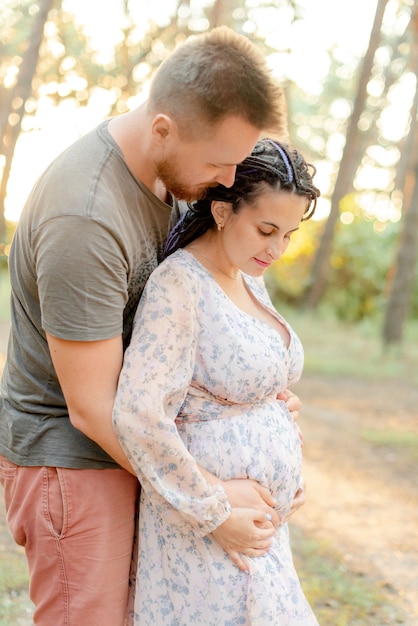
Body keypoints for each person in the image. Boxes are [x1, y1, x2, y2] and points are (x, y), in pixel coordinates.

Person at [0, 26, 304, 626]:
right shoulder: (85, 217)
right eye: (220, 162)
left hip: (134, 461)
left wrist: (251, 407)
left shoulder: (175, 174)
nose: (225, 180)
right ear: (163, 127)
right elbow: (93, 405)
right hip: (75, 462)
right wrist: (210, 498)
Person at [112, 138, 321, 625]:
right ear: (224, 211)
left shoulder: (250, 276)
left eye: (288, 234)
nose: (277, 249)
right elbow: (140, 416)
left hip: (260, 530)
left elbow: (249, 379)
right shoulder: (180, 285)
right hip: (205, 531)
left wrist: (282, 424)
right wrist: (213, 511)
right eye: (266, 229)